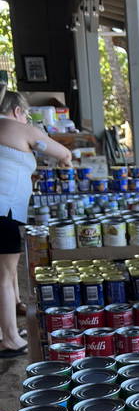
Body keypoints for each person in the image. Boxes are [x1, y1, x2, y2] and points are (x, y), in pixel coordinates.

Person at [0, 91, 72, 357]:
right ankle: (10, 340)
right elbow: (62, 152)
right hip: (3, 211)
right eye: (26, 113)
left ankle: (5, 328)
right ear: (18, 110)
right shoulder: (20, 128)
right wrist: (66, 163)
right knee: (4, 277)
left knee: (5, 273)